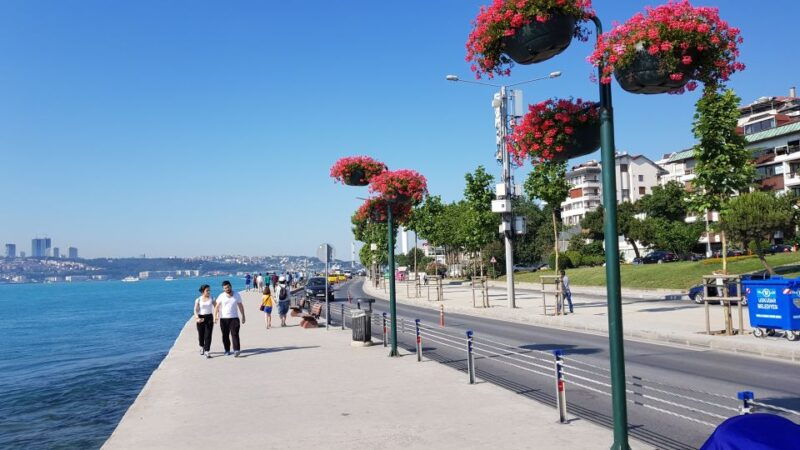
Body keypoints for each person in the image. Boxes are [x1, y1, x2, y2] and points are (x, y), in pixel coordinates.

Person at [214, 280, 246, 357]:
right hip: (224, 319)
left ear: (231, 286)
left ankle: (236, 350)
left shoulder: (237, 295)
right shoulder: (221, 296)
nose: (227, 289)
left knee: (235, 334)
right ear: (223, 289)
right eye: (225, 288)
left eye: (228, 287)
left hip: (234, 318)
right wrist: (215, 316)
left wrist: (243, 316)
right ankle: (227, 350)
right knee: (225, 335)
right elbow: (216, 307)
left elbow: (240, 306)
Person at [195, 284, 215, 358]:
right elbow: (195, 310)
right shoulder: (198, 299)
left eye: (209, 290)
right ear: (203, 291)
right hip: (200, 317)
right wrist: (197, 318)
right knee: (201, 334)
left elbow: (216, 307)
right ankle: (202, 346)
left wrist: (216, 316)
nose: (209, 292)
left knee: (208, 335)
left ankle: (207, 351)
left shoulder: (212, 298)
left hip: (209, 317)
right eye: (207, 290)